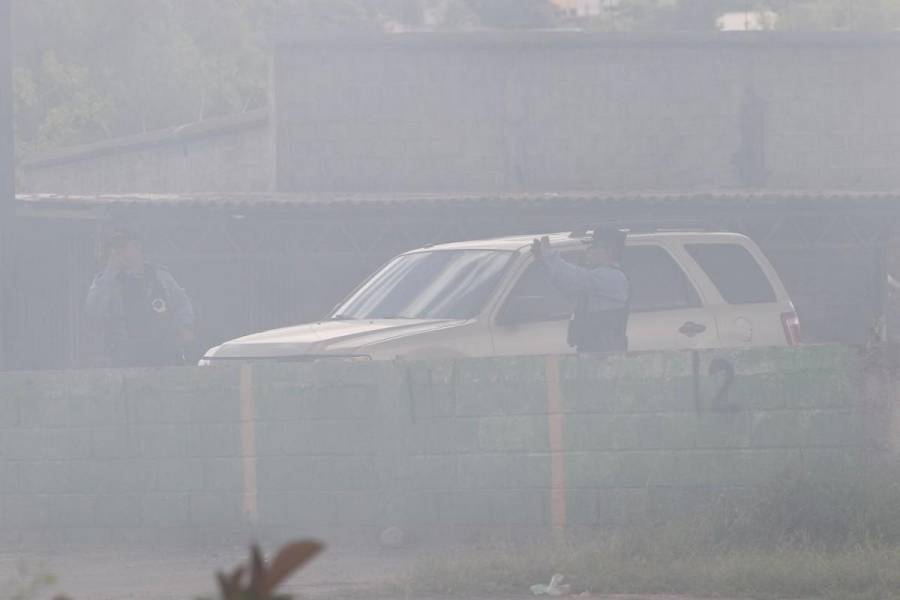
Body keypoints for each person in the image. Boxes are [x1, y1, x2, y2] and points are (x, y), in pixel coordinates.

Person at [85, 227, 195, 367]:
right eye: (114, 247)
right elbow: (92, 311)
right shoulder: (108, 280)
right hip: (126, 355)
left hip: (164, 353)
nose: (116, 251)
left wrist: (185, 325)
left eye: (122, 246)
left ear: (137, 247)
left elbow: (181, 303)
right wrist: (110, 271)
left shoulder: (160, 276)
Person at [531, 226, 630, 353]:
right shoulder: (597, 277)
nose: (588, 251)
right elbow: (566, 285)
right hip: (593, 348)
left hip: (605, 352)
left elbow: (574, 277)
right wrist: (543, 261)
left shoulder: (612, 277)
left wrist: (549, 255)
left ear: (609, 251)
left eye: (594, 247)